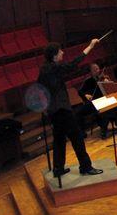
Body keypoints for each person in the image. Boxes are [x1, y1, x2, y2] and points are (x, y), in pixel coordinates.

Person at [38, 38, 104, 177]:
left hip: (53, 111)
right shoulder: (55, 68)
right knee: (77, 137)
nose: (62, 52)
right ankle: (86, 167)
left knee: (59, 139)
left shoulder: (43, 69)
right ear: (54, 55)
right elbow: (74, 63)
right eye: (60, 51)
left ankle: (58, 169)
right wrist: (90, 46)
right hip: (62, 109)